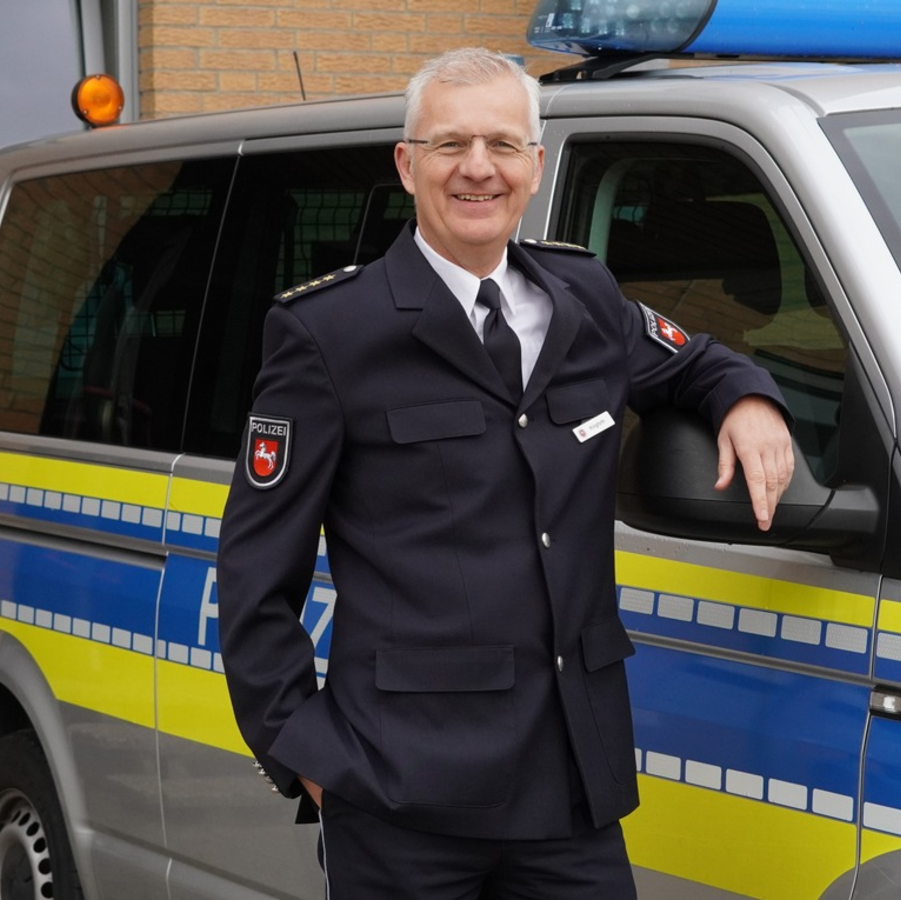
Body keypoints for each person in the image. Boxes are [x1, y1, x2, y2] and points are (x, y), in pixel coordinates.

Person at [217, 46, 794, 900]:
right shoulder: (329, 332)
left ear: (536, 163)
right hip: (400, 794)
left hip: (571, 785)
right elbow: (255, 575)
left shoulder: (583, 297)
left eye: (501, 144)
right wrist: (310, 756)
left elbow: (694, 361)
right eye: (450, 144)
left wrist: (749, 401)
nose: (478, 168)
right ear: (407, 165)